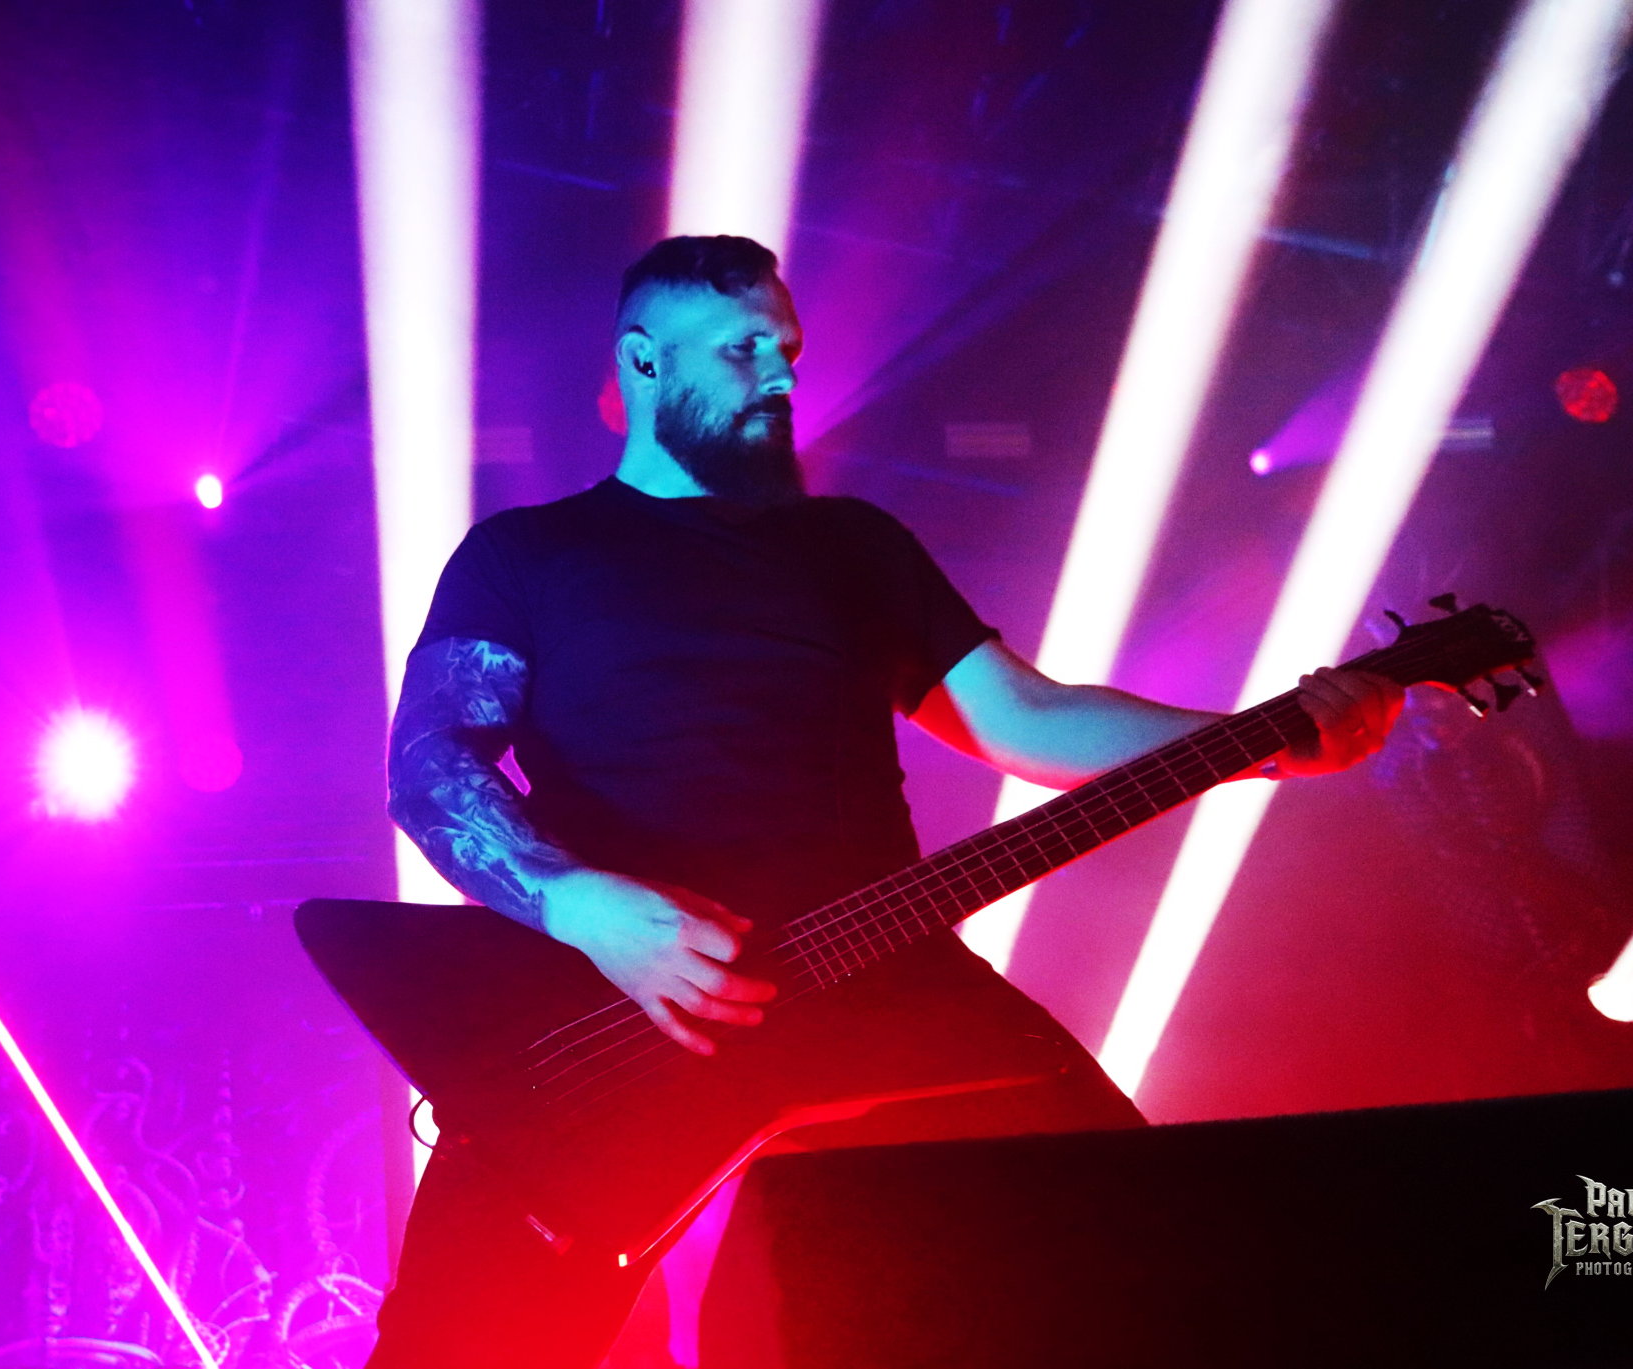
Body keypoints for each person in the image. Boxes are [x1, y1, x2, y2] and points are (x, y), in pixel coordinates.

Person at [371, 235, 1403, 1368]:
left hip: (883, 970)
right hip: (610, 1014)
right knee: (461, 1344)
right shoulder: (528, 553)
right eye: (742, 347)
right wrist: (585, 909)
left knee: (1149, 1250)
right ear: (644, 360)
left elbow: (1024, 719)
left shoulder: (851, 545)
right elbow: (431, 767)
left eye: (787, 348)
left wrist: (1265, 745)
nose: (780, 373)